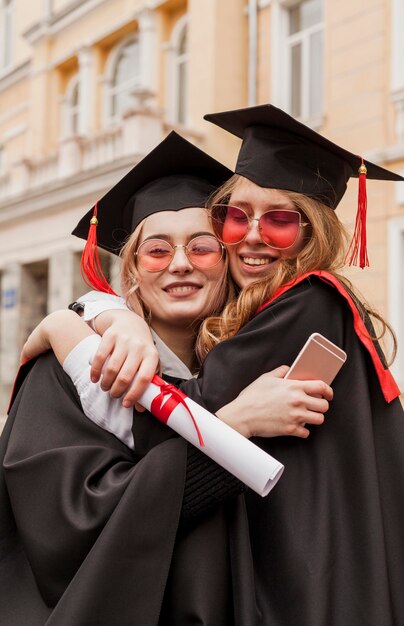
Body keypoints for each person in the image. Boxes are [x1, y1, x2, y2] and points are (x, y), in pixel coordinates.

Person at [68, 105, 404, 626]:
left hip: (303, 576)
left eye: (279, 219)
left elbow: (179, 422)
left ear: (312, 232)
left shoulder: (306, 303)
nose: (252, 235)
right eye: (236, 214)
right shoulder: (289, 305)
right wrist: (114, 313)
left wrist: (76, 327)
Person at [0, 131, 331, 626]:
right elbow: (70, 527)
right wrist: (232, 428)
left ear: (229, 261)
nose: (180, 264)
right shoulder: (69, 369)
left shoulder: (250, 365)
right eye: (156, 251)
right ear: (131, 270)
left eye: (202, 247)